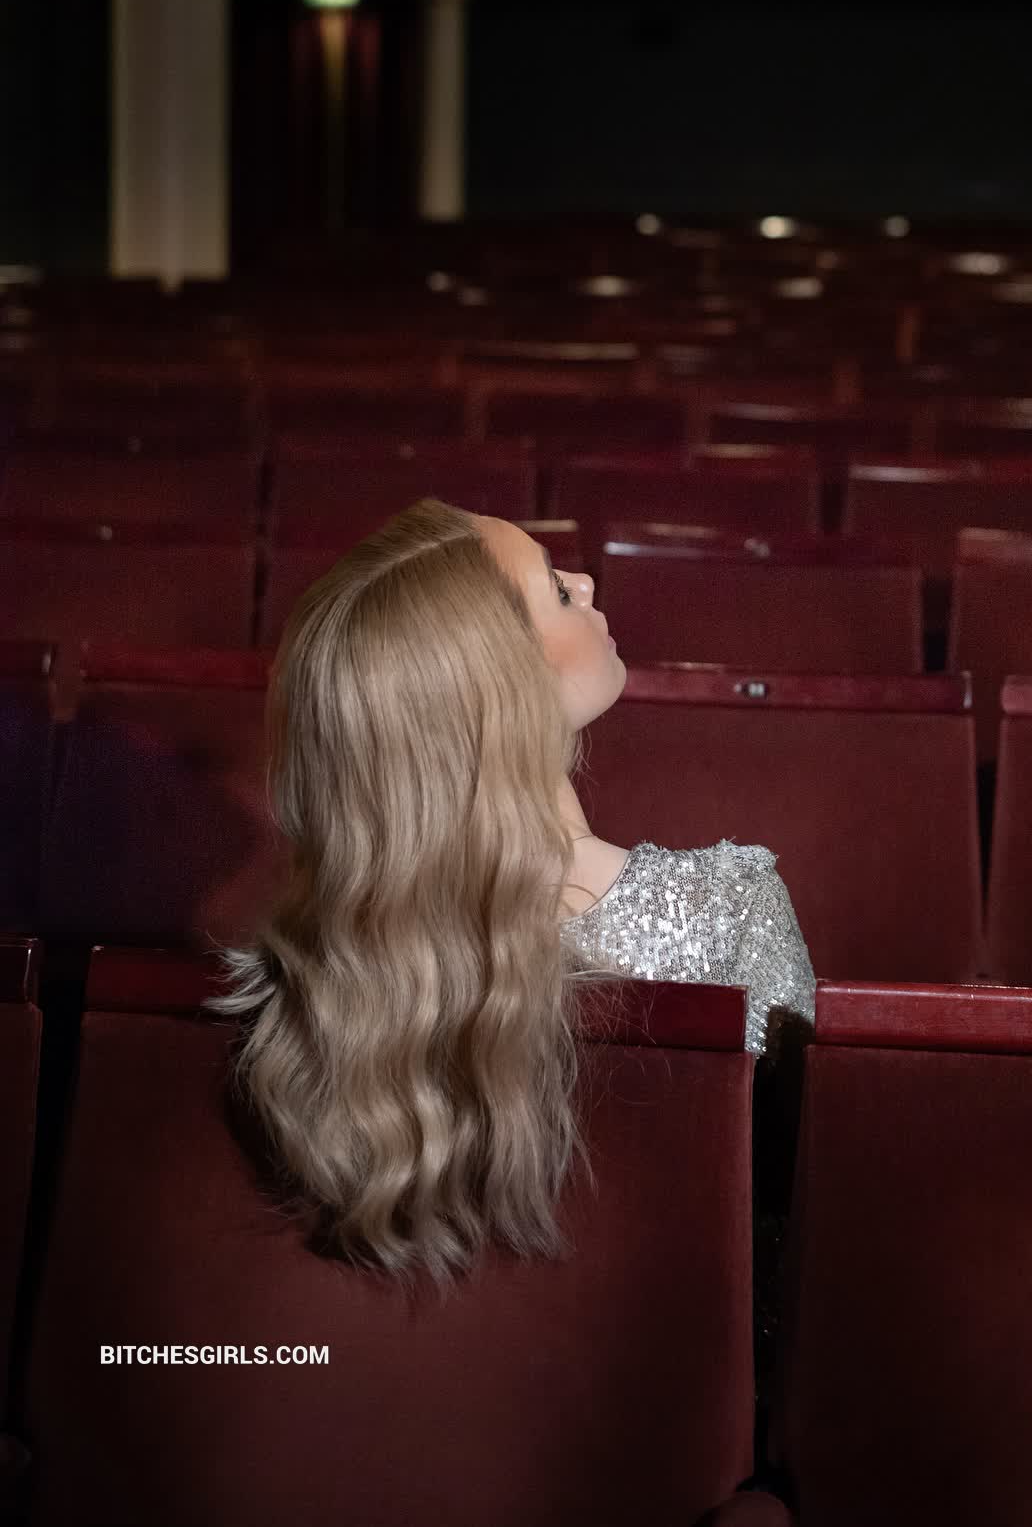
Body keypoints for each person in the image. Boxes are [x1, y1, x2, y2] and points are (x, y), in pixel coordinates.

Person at [210, 497, 815, 1287]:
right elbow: (791, 1224)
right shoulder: (730, 910)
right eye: (557, 589)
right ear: (506, 685)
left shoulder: (286, 983)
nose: (587, 583)